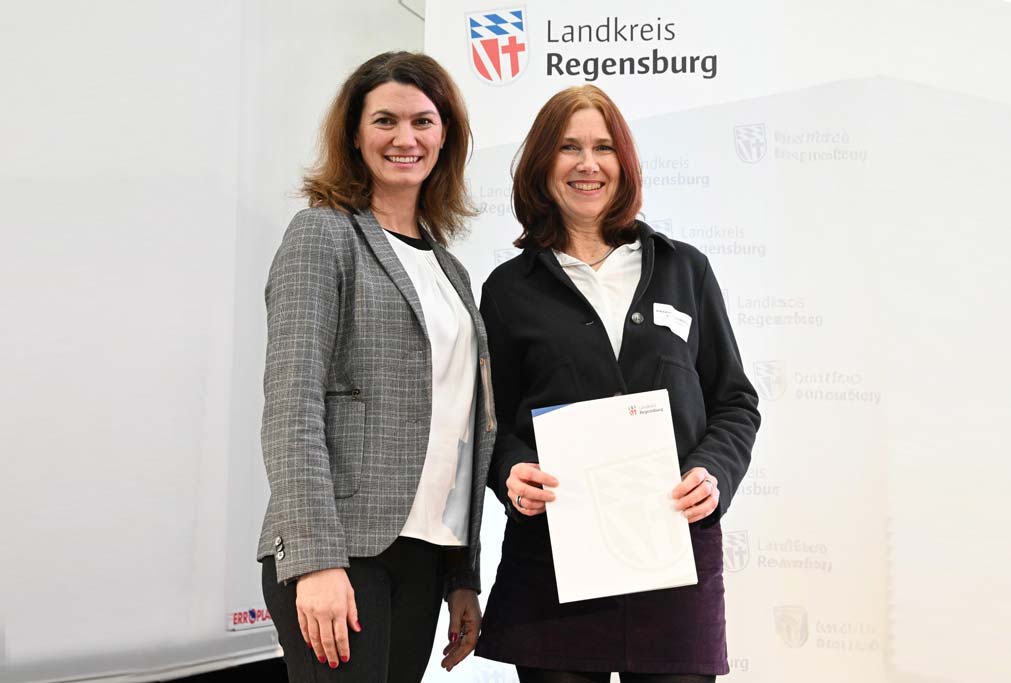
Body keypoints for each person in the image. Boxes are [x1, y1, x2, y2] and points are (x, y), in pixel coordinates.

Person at [474, 85, 761, 682]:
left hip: (674, 560)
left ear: (624, 162)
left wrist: (712, 472)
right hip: (555, 565)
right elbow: (491, 422)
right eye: (568, 147)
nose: (588, 164)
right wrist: (512, 472)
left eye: (603, 148)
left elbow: (734, 402)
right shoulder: (507, 289)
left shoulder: (685, 269)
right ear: (542, 164)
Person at [256, 51, 496, 682]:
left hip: (423, 554)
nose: (404, 138)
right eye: (385, 120)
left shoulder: (450, 269)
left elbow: (456, 425)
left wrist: (461, 574)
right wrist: (316, 559)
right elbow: (292, 404)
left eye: (422, 121)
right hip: (341, 550)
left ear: (445, 135)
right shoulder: (322, 234)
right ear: (355, 135)